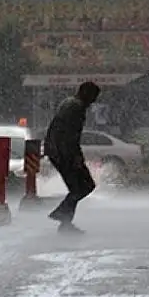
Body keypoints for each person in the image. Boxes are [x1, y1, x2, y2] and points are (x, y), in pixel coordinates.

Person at [43, 81, 101, 234]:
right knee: (85, 185)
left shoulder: (69, 103)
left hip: (57, 151)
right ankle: (62, 216)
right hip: (64, 153)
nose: (94, 101)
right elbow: (70, 135)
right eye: (93, 97)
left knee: (79, 187)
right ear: (86, 94)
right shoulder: (76, 107)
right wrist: (75, 156)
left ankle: (65, 220)